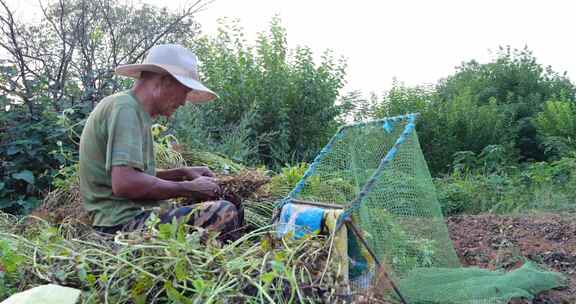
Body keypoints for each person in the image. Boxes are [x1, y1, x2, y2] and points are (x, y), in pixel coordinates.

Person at [78, 44, 241, 240]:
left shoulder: (130, 108)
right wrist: (188, 188)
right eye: (184, 91)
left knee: (233, 202)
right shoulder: (125, 109)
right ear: (164, 82)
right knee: (224, 212)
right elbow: (124, 183)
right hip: (122, 225)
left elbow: (133, 175)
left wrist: (182, 174)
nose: (183, 102)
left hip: (137, 215)